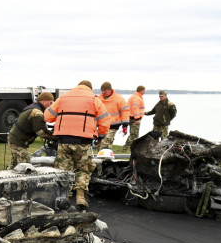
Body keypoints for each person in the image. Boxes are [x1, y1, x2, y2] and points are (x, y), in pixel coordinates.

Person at [44, 80, 110, 210]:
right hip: (83, 141)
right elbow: (105, 119)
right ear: (89, 88)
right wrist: (101, 135)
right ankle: (80, 197)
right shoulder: (93, 99)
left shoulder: (64, 97)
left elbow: (48, 116)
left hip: (63, 140)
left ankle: (65, 197)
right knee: (83, 168)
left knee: (64, 170)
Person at [7, 92, 54, 169]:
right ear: (44, 101)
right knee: (25, 167)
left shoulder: (33, 108)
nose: (51, 105)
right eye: (50, 102)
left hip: (14, 139)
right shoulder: (37, 112)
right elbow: (41, 132)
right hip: (18, 141)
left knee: (14, 165)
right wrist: (54, 136)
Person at [97, 82, 130, 151]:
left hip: (113, 125)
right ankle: (104, 158)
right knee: (99, 144)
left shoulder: (119, 98)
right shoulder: (98, 99)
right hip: (101, 125)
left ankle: (105, 157)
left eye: (105, 91)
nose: (103, 92)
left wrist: (125, 125)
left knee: (105, 142)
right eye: (102, 90)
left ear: (110, 90)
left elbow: (125, 111)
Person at [122, 85, 146, 152]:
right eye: (144, 90)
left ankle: (131, 148)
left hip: (132, 117)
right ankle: (126, 148)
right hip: (134, 118)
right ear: (141, 90)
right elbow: (135, 109)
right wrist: (138, 118)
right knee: (134, 134)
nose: (145, 92)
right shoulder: (136, 98)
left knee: (134, 134)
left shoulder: (135, 97)